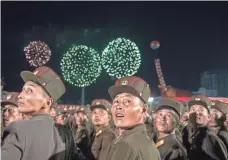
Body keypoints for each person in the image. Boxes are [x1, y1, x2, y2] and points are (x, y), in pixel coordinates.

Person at [1, 66, 76, 160]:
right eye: (23, 90)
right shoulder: (66, 134)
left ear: (47, 102)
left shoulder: (18, 129)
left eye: (29, 90)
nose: (20, 95)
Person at [107, 76, 161, 160]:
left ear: (143, 110)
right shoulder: (147, 142)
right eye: (116, 101)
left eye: (127, 101)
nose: (119, 106)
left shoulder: (125, 145)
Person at [182, 95, 228, 160]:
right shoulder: (185, 132)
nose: (197, 112)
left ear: (208, 116)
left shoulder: (209, 138)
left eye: (201, 109)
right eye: (193, 109)